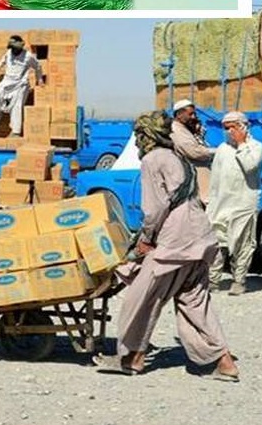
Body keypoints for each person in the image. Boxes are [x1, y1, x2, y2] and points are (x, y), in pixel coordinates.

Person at [97, 111, 238, 380]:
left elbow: (155, 208)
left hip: (175, 241)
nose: (137, 141)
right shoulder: (179, 156)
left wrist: (146, 240)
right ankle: (224, 362)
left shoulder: (153, 160)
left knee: (141, 298)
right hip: (199, 236)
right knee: (195, 303)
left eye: (139, 135)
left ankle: (131, 358)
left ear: (148, 135)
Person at [207, 112, 262, 295]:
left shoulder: (256, 147)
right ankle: (212, 280)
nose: (230, 131)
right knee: (217, 244)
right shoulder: (222, 149)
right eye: (226, 128)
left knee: (243, 244)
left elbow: (250, 166)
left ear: (244, 127)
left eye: (234, 127)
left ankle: (239, 280)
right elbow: (215, 178)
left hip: (244, 203)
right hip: (220, 203)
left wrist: (241, 144)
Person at [0, 35, 44, 137]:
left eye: (15, 48)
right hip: (6, 81)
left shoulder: (28, 56)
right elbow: (3, 60)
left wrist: (40, 79)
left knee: (16, 107)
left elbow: (38, 67)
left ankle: (16, 131)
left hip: (20, 84)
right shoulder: (9, 53)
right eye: (12, 48)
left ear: (20, 46)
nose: (13, 50)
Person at [170, 100, 216, 206]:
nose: (193, 117)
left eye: (194, 114)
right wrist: (219, 150)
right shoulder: (176, 130)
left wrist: (197, 134)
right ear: (179, 115)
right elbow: (195, 152)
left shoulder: (185, 130)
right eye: (190, 114)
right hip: (195, 182)